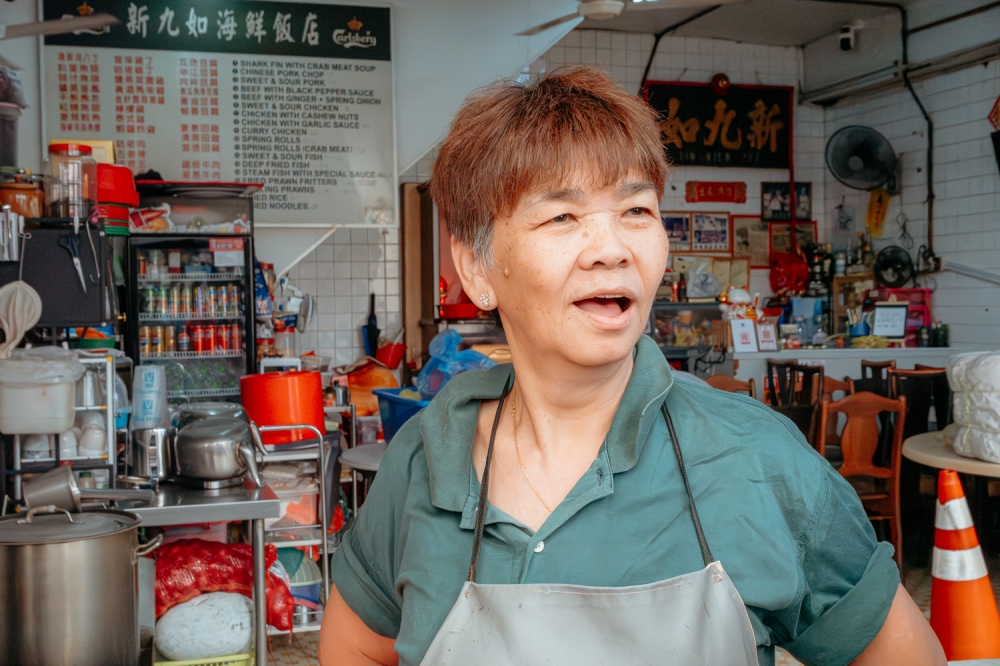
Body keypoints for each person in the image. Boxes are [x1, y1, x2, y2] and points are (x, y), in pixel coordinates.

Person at [319, 67, 945, 666]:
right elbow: (359, 649)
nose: (612, 248)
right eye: (562, 216)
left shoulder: (756, 458)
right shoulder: (423, 461)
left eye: (636, 211)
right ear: (476, 266)